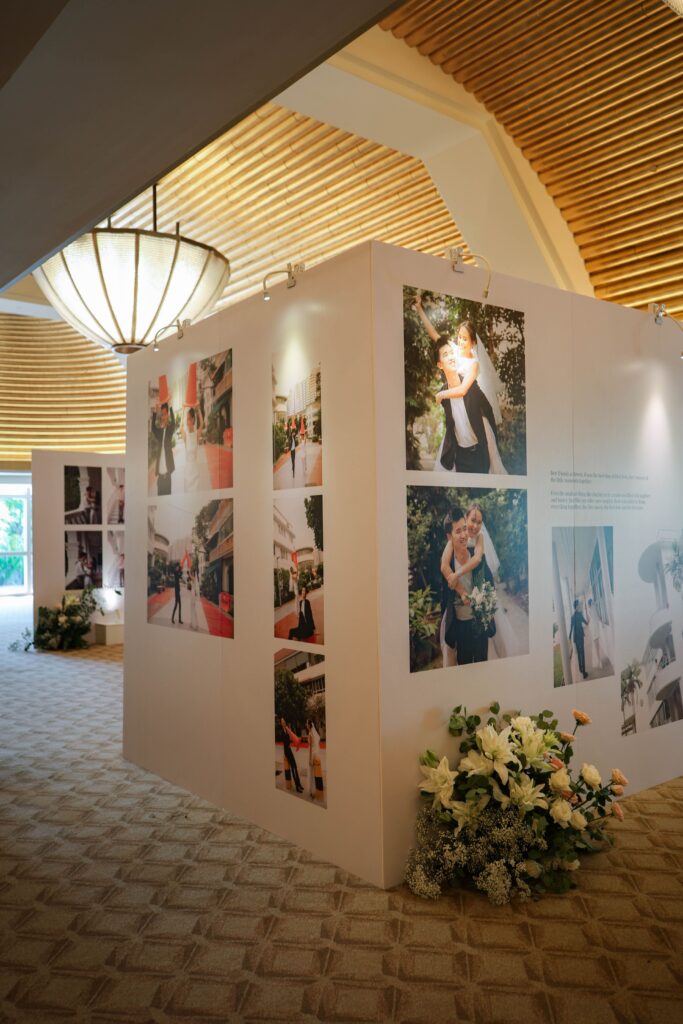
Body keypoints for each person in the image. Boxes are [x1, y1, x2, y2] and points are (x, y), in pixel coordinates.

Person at [413, 295, 506, 474]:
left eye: (465, 339)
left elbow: (463, 390)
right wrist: (419, 309)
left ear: (473, 342)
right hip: (459, 407)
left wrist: (441, 394)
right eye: (459, 337)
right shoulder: (454, 351)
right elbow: (435, 335)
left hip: (474, 404)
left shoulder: (475, 364)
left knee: (489, 453)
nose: (461, 342)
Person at [439, 507, 488, 666]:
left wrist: (456, 575)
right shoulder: (450, 548)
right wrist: (461, 592)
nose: (465, 533)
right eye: (458, 531)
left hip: (479, 620)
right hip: (460, 623)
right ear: (449, 536)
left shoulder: (478, 540)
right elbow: (444, 567)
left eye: (478, 522)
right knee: (464, 663)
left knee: (483, 662)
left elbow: (478, 560)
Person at [151, 402, 176, 495]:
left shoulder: (169, 431)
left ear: (168, 415)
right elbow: (153, 428)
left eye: (165, 414)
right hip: (160, 479)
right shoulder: (160, 433)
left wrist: (171, 406)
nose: (163, 416)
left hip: (168, 477)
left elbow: (173, 423)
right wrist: (155, 411)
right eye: (162, 414)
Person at [180, 404, 204, 492]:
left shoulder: (196, 434)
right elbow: (180, 427)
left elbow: (202, 423)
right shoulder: (185, 435)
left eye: (189, 418)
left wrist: (198, 409)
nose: (187, 421)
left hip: (195, 471)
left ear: (193, 419)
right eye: (187, 419)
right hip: (187, 471)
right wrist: (183, 410)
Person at [280, 717, 304, 793]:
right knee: (293, 768)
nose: (283, 723)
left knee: (295, 767)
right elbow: (284, 742)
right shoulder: (282, 732)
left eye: (284, 721)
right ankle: (297, 787)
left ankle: (299, 784)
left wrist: (291, 742)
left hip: (289, 750)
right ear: (281, 723)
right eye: (282, 722)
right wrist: (285, 753)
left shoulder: (287, 730)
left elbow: (290, 739)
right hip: (287, 751)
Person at [569, 599, 589, 679]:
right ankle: (584, 672)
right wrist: (588, 621)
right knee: (582, 654)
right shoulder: (580, 614)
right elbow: (585, 622)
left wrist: (569, 637)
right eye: (578, 605)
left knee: (579, 654)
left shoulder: (572, 617)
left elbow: (571, 627)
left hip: (575, 638)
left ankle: (581, 669)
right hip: (580, 637)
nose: (579, 606)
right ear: (576, 606)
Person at [306, 718, 324, 802]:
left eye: (306, 724)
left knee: (311, 773)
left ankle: (312, 791)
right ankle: (313, 790)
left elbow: (310, 748)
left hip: (311, 755)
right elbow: (315, 745)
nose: (306, 725)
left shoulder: (310, 734)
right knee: (313, 773)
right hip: (314, 754)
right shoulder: (313, 734)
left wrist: (310, 759)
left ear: (309, 725)